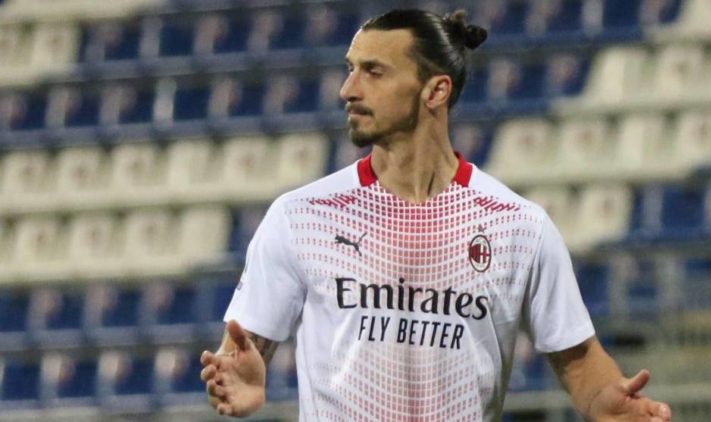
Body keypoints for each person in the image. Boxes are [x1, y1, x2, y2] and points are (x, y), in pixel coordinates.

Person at [200, 9, 672, 421]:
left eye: (373, 72)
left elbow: (578, 358)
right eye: (350, 69)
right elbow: (244, 345)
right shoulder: (301, 216)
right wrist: (238, 374)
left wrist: (605, 401)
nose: (347, 89)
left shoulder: (518, 226)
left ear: (435, 90)